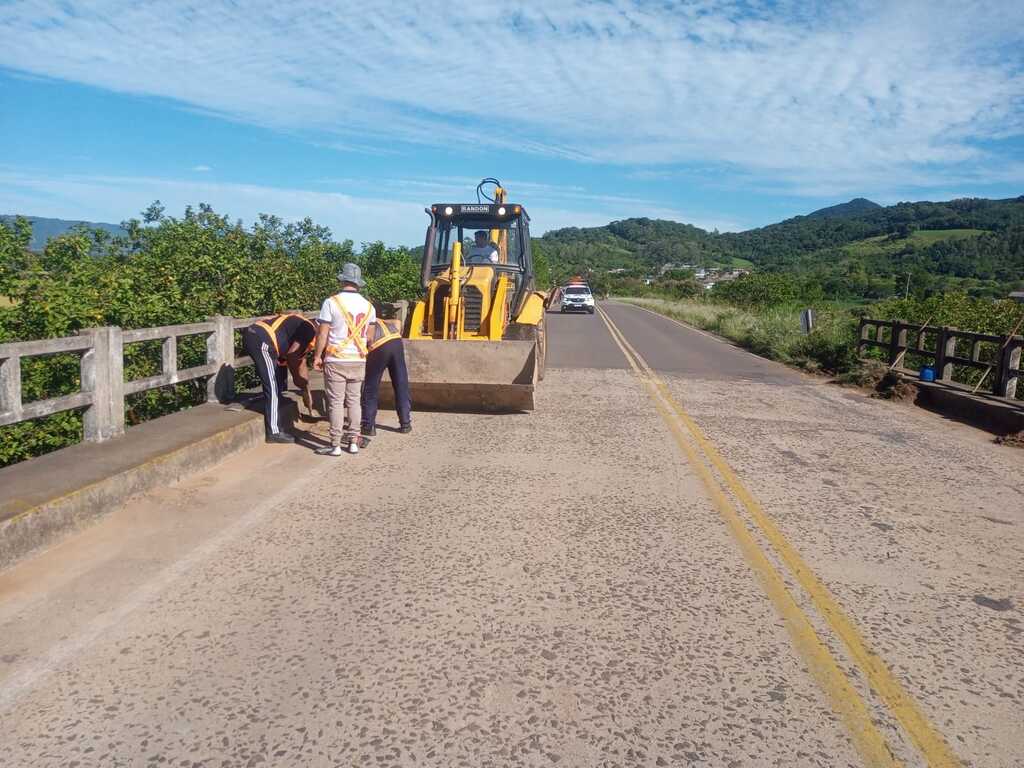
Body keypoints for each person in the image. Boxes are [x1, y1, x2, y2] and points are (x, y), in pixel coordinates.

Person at [313, 263, 375, 456]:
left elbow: (322, 334)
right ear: (358, 283)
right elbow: (370, 337)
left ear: (342, 280)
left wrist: (317, 356)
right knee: (354, 402)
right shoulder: (369, 306)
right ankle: (354, 442)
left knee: (336, 403)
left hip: (336, 359)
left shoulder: (331, 303)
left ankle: (336, 445)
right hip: (358, 359)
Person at [242, 313, 316, 443]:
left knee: (276, 384)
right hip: (263, 341)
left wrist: (305, 389)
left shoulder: (300, 325)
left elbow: (300, 360)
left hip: (257, 335)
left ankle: (276, 417)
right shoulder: (309, 330)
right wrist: (299, 382)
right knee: (272, 386)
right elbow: (293, 356)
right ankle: (274, 432)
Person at [360, 315, 412, 442]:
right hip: (395, 340)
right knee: (401, 382)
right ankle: (405, 423)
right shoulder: (376, 318)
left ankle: (368, 425)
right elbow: (397, 322)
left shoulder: (356, 320)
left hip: (378, 345)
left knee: (371, 386)